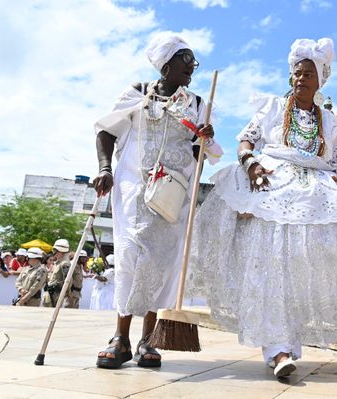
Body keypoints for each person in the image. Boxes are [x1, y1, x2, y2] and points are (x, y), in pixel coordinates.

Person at [189, 37, 337, 378]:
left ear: (320, 80)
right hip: (273, 188)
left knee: (296, 271)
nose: (300, 79)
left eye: (308, 74)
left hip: (314, 195)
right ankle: (278, 352)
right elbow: (246, 140)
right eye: (296, 73)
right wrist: (250, 164)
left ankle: (286, 346)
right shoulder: (274, 109)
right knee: (272, 266)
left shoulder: (329, 121)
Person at [92, 32, 222, 369]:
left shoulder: (196, 104)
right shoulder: (137, 93)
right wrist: (105, 168)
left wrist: (204, 140)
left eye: (194, 62)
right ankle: (119, 337)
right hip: (134, 190)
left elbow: (200, 152)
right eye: (186, 60)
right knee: (131, 258)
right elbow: (105, 130)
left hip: (172, 195)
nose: (192, 67)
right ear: (166, 65)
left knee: (159, 264)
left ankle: (147, 341)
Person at [45, 239, 71, 307]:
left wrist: (65, 293)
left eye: (54, 250)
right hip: (51, 293)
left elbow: (67, 281)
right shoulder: (58, 263)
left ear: (60, 251)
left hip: (56, 295)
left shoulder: (64, 264)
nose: (53, 251)